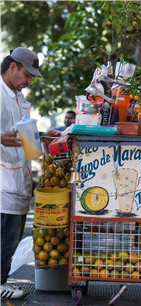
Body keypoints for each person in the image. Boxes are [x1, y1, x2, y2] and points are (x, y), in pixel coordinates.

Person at [0, 47, 61, 300]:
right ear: (12, 67)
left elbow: (24, 135)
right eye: (27, 74)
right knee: (5, 238)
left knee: (10, 238)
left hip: (19, 179)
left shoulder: (17, 96)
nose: (29, 81)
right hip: (3, 182)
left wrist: (43, 138)